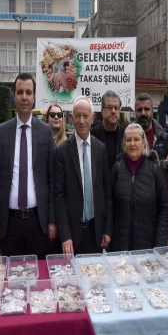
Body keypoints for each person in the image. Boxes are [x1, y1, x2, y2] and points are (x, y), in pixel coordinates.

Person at [0, 73, 56, 259]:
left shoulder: (45, 132)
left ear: (34, 96)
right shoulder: (1, 133)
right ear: (14, 96)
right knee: (11, 279)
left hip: (38, 221)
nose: (24, 97)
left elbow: (52, 179)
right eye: (20, 92)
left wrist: (52, 219)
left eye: (28, 92)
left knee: (38, 279)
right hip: (9, 223)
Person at [55, 96, 112, 255]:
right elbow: (58, 196)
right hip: (71, 236)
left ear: (93, 118)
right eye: (77, 116)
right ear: (71, 118)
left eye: (85, 116)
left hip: (96, 232)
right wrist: (65, 235)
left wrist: (107, 229)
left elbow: (107, 193)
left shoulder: (101, 149)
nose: (81, 121)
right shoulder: (62, 152)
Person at [111, 124, 168, 251]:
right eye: (129, 140)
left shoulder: (154, 169)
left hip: (147, 245)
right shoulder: (117, 168)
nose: (132, 144)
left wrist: (160, 243)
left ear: (143, 143)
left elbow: (164, 207)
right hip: (120, 245)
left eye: (136, 139)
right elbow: (109, 205)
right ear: (124, 143)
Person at [91, 90, 125, 171]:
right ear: (102, 111)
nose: (113, 111)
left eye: (116, 108)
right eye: (109, 107)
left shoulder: (126, 135)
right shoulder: (91, 135)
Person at [135, 93, 167, 159]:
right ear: (135, 113)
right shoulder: (127, 138)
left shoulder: (164, 139)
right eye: (139, 110)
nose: (143, 113)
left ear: (152, 112)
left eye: (146, 109)